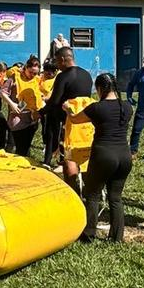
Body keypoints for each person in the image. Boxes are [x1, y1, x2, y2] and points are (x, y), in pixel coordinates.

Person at [67, 72, 134, 242]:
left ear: (100, 88)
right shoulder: (127, 107)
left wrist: (68, 109)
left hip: (104, 154)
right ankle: (117, 237)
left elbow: (75, 120)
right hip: (124, 156)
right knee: (116, 198)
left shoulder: (96, 108)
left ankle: (89, 235)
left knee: (93, 194)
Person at [41, 46, 94, 186]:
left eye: (58, 62)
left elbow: (55, 101)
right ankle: (87, 184)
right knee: (83, 150)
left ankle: (71, 186)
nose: (57, 66)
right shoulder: (87, 75)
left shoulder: (63, 76)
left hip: (67, 119)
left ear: (63, 59)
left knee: (68, 153)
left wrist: (40, 112)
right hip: (85, 120)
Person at [0, 55, 44, 157]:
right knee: (21, 148)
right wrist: (12, 104)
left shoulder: (37, 80)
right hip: (18, 118)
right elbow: (2, 92)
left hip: (33, 118)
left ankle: (25, 168)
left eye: (35, 73)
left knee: (26, 147)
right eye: (30, 72)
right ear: (25, 68)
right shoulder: (15, 78)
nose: (32, 75)